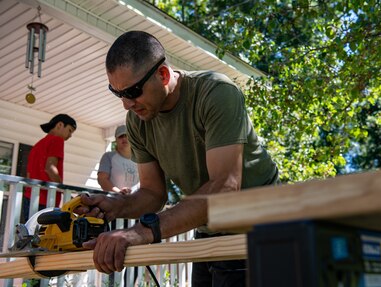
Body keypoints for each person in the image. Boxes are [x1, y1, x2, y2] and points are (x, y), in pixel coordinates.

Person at [78, 31, 279, 287]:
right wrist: (115, 205)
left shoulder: (216, 92)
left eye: (133, 91)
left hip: (259, 228)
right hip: (209, 229)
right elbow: (152, 193)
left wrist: (139, 233)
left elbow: (225, 188)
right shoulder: (138, 121)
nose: (127, 105)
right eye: (118, 94)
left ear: (162, 75)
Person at [23, 113, 77, 222]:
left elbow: (29, 175)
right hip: (46, 199)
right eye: (70, 130)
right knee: (45, 237)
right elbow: (50, 168)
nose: (70, 135)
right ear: (60, 125)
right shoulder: (57, 140)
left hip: (29, 198)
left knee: (29, 234)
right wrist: (63, 190)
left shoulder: (37, 146)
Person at [97, 125, 138, 194]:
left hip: (135, 200)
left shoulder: (140, 159)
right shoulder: (108, 156)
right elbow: (102, 179)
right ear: (116, 140)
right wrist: (119, 192)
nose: (124, 138)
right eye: (121, 136)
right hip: (114, 200)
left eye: (127, 136)